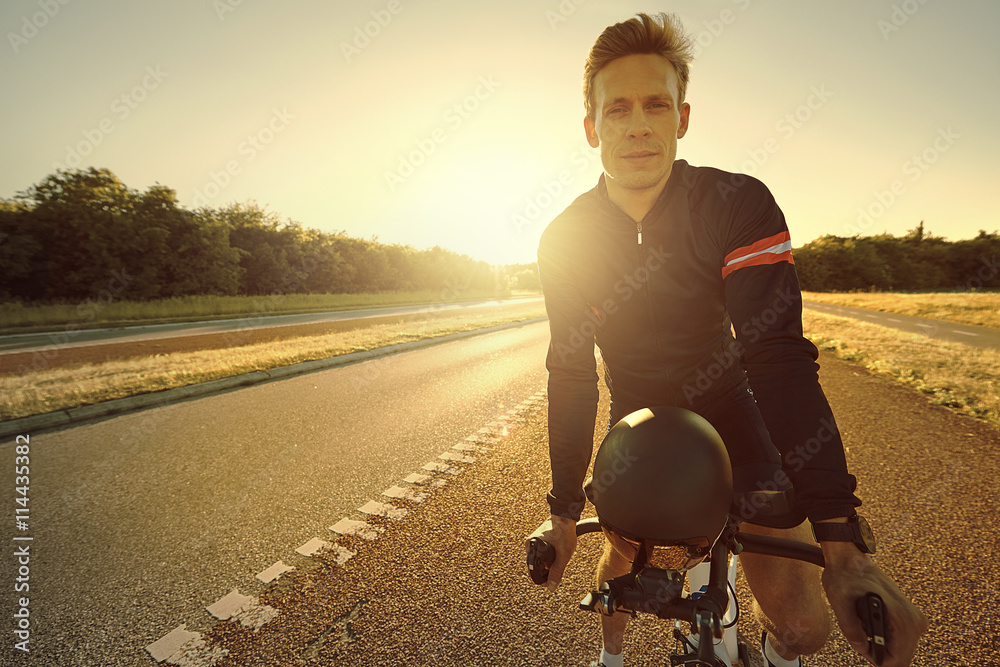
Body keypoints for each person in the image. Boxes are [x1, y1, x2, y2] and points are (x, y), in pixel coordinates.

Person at [525, 12, 927, 667]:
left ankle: (772, 651)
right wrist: (564, 511)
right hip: (640, 422)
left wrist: (841, 541)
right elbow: (570, 370)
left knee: (805, 626)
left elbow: (778, 359)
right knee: (619, 569)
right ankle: (611, 656)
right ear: (593, 126)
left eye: (656, 104)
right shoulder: (566, 238)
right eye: (617, 107)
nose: (638, 123)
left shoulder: (736, 204)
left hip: (736, 412)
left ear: (682, 117)